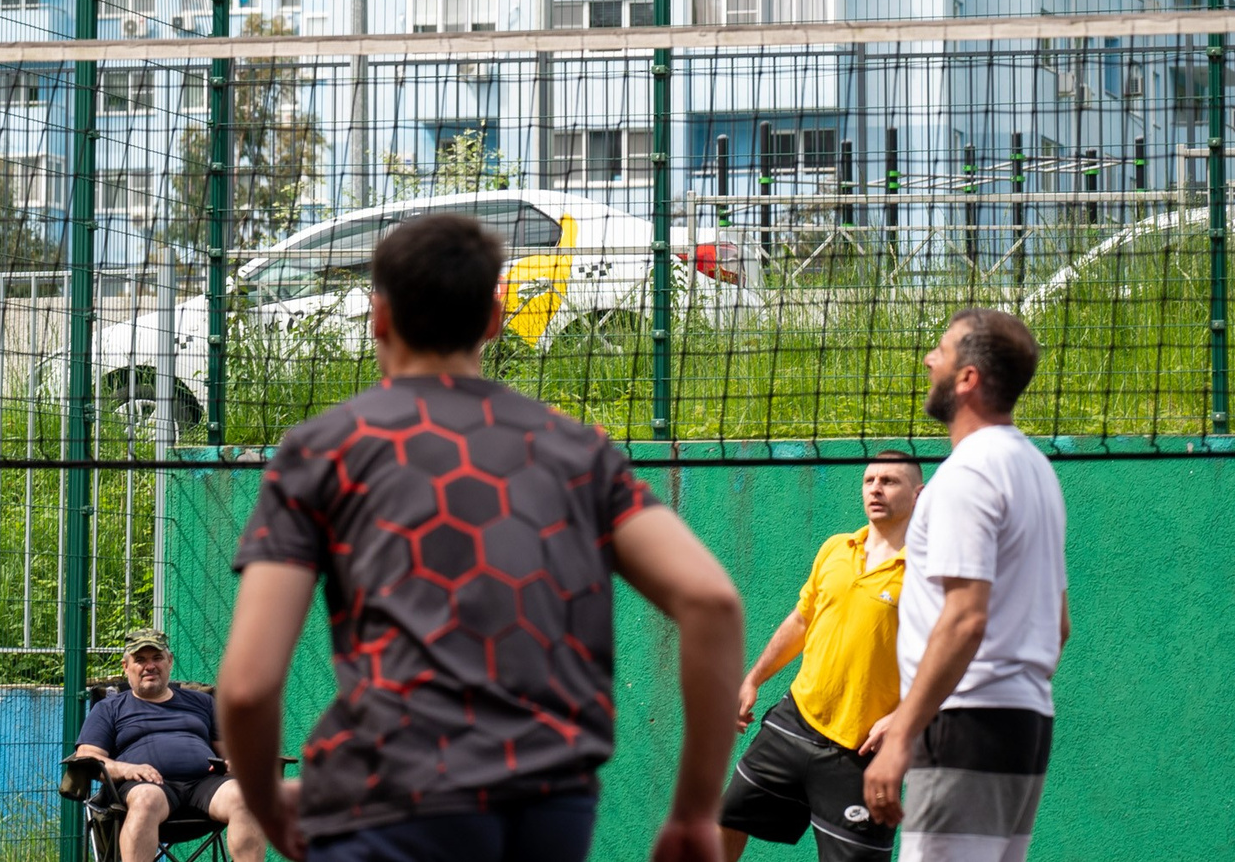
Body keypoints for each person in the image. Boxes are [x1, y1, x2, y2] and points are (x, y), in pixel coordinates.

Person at [214, 212, 746, 862]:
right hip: (550, 807)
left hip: (388, 801)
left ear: (379, 317)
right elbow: (712, 601)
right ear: (493, 319)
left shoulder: (322, 451)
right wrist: (693, 813)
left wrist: (267, 805)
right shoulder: (577, 451)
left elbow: (246, 687)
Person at [863, 309, 1069, 862]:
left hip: (964, 721)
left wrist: (902, 734)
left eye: (941, 351)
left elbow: (965, 618)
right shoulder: (1037, 470)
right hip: (1023, 725)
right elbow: (1059, 625)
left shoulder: (967, 474)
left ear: (968, 378)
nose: (928, 360)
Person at [719, 452, 923, 862]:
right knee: (723, 821)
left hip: (862, 750)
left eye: (889, 481)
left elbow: (952, 656)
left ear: (918, 494)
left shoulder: (929, 570)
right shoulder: (836, 548)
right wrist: (753, 679)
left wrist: (902, 718)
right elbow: (802, 620)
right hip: (795, 722)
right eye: (869, 480)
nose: (876, 489)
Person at [68, 628, 267, 862]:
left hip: (205, 785)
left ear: (170, 661)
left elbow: (228, 751)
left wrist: (234, 762)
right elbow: (88, 757)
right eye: (140, 660)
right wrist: (127, 769)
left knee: (245, 797)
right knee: (146, 799)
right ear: (126, 666)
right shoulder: (109, 708)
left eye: (157, 658)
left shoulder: (203, 702)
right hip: (145, 787)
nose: (150, 666)